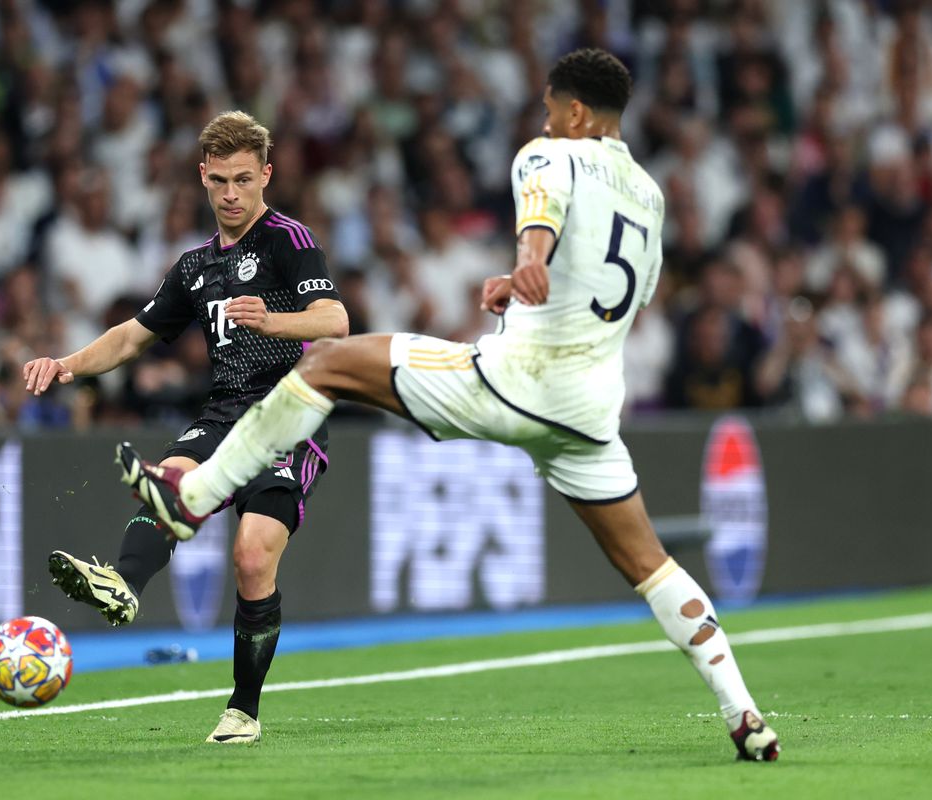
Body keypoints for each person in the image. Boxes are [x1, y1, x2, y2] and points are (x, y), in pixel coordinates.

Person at [120, 50, 781, 761]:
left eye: (552, 109)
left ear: (578, 113)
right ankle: (743, 712)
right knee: (650, 564)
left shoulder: (551, 156)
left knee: (331, 362)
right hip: (590, 412)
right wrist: (523, 281)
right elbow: (621, 297)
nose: (545, 120)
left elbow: (544, 220)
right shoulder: (648, 196)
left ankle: (195, 497)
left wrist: (530, 256)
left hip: (517, 380)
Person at [23, 111, 348, 744]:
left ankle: (243, 710)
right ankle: (123, 583)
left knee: (252, 557)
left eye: (244, 180)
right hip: (224, 414)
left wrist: (273, 321)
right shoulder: (195, 266)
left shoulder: (289, 240)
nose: (231, 194)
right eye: (220, 180)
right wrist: (65, 365)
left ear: (266, 177)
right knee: (170, 478)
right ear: (202, 177)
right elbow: (129, 338)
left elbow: (334, 320)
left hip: (290, 416)